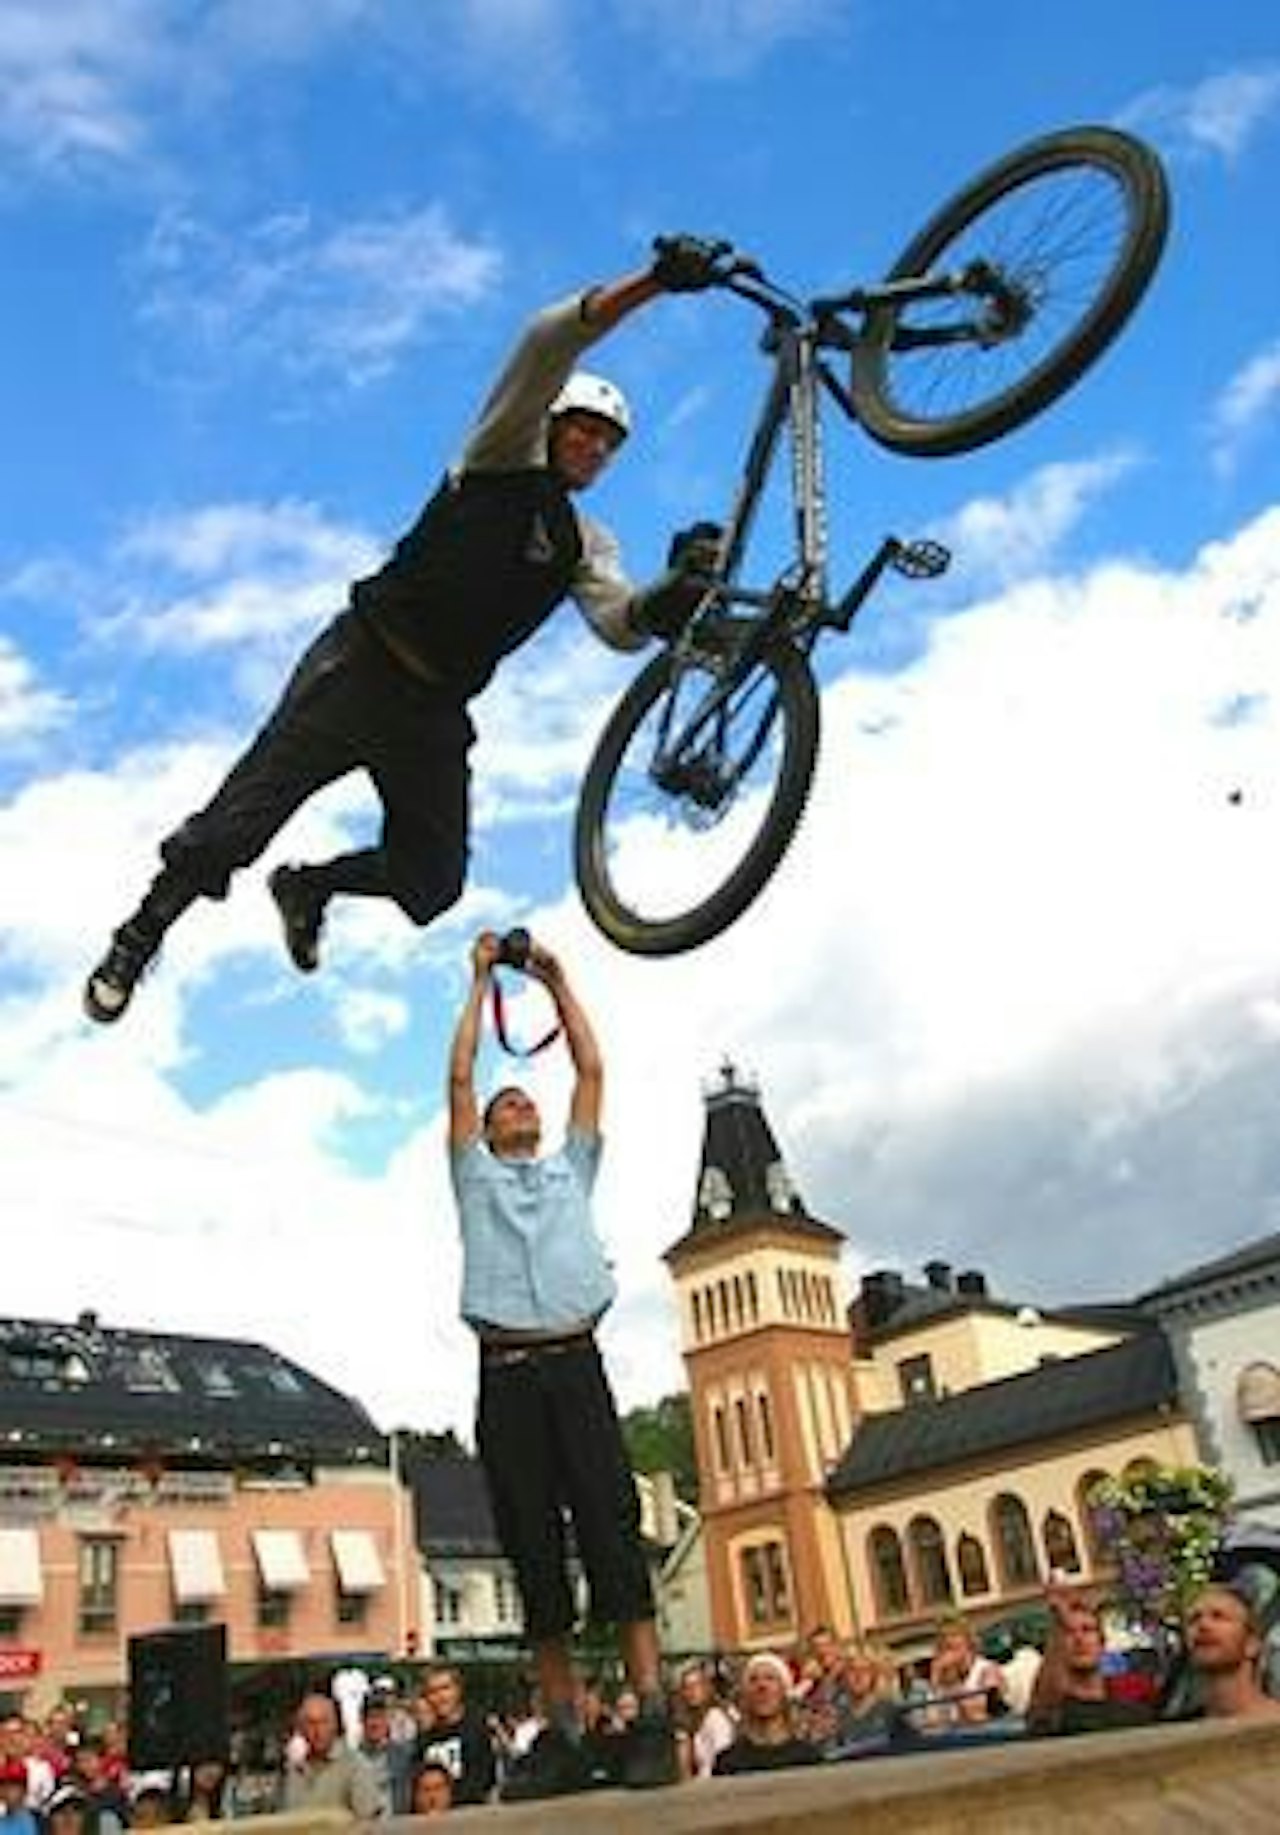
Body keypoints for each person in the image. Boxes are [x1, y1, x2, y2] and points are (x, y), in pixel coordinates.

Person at [82, 235, 728, 1024]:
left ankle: (308, 886)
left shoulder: (587, 543)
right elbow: (547, 340)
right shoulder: (499, 454)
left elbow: (622, 625)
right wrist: (654, 283)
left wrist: (678, 590)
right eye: (581, 429)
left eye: (607, 442)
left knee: (434, 883)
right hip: (358, 669)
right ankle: (137, 937)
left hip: (432, 714)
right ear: (551, 424)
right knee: (232, 830)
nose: (592, 446)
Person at [447, 931, 679, 1799]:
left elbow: (590, 1069)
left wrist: (556, 977)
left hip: (576, 1364)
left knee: (613, 1528)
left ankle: (654, 1712)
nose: (514, 1107)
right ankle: (567, 1729)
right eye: (504, 1104)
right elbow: (461, 1078)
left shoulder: (571, 1170)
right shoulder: (473, 1176)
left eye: (521, 1103)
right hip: (505, 1373)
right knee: (532, 1545)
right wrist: (479, 982)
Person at [1026, 1590, 1156, 1736]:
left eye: (1087, 1630)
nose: (1079, 1639)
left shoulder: (1132, 1692)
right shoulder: (1054, 1714)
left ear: (1102, 1642)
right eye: (1069, 1632)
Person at [712, 1653, 823, 1776]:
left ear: (784, 1692)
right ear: (745, 1696)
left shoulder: (809, 1759)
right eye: (753, 1680)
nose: (762, 1686)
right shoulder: (727, 1762)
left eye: (770, 1678)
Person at [1182, 1583, 1280, 1721]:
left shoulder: (1274, 1722)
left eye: (1218, 1616)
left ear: (1251, 1645)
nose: (1203, 1625)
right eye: (1194, 1619)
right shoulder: (1179, 1731)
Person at [279, 1693, 382, 1822]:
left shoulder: (355, 1766)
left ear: (335, 1725)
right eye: (311, 1723)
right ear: (301, 1728)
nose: (317, 1731)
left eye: (324, 1722)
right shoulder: (291, 1769)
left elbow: (369, 1823)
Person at [412, 1665, 496, 1807]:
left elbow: (483, 1781)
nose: (440, 1697)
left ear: (458, 1690)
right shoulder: (424, 1739)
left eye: (445, 1688)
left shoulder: (476, 1729)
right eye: (432, 1691)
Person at [673, 1661, 737, 1779]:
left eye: (696, 1685)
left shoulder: (715, 1718)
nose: (691, 1692)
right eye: (687, 1687)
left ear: (707, 1688)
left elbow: (722, 1759)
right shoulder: (693, 1723)